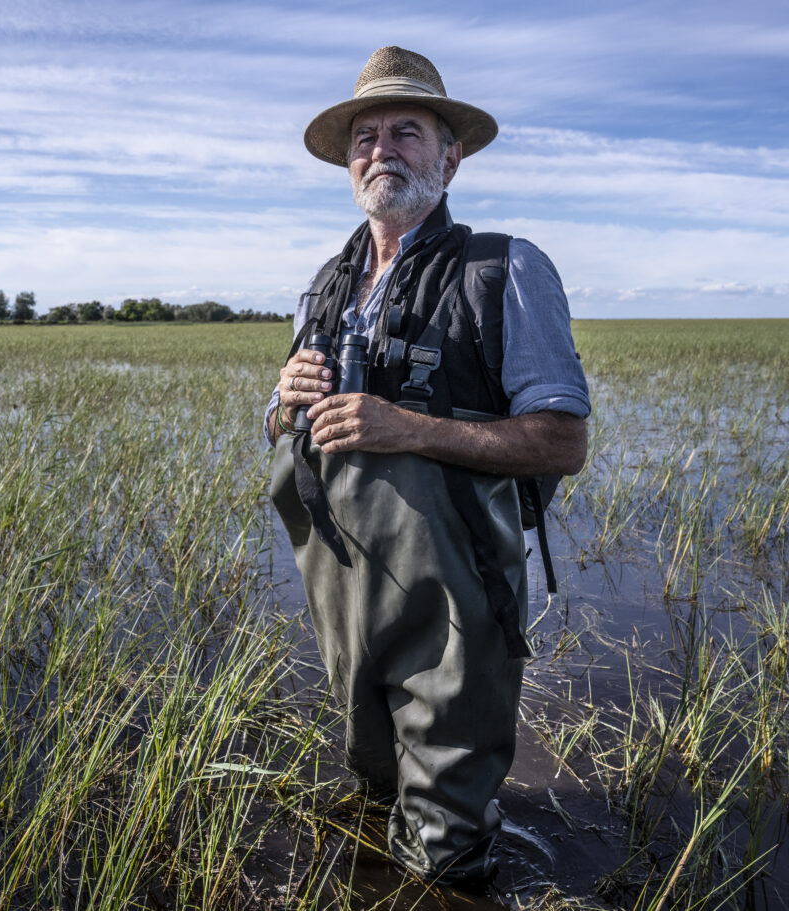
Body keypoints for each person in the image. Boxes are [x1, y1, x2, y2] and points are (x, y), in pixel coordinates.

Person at [266, 47, 591, 889]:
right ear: (348, 163)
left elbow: (561, 441)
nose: (382, 150)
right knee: (371, 786)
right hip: (343, 595)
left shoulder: (504, 269)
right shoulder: (323, 285)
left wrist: (406, 425)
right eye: (365, 136)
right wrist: (282, 403)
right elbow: (284, 429)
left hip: (456, 601)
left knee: (445, 848)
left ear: (451, 157)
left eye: (406, 132)